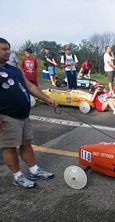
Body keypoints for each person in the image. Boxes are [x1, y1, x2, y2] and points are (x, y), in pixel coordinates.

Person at [0, 38, 57, 188]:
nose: (8, 52)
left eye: (8, 49)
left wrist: (46, 98)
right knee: (10, 147)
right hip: (6, 116)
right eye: (4, 49)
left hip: (23, 115)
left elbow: (30, 86)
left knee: (27, 144)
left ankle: (34, 170)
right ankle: (18, 176)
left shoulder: (14, 69)